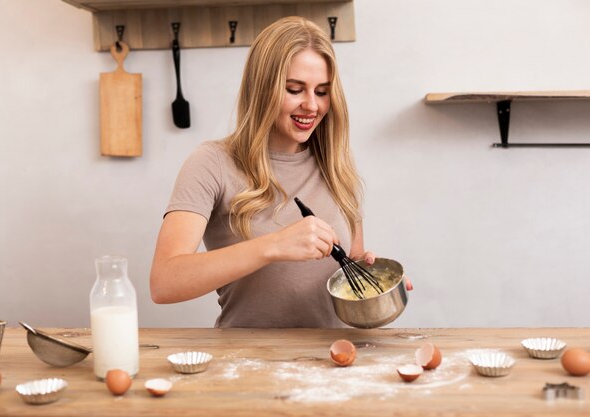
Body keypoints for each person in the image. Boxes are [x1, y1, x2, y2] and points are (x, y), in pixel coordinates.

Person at [150, 16, 412, 328]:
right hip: (246, 364)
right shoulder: (212, 163)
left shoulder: (336, 164)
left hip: (335, 360)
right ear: (262, 89)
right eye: (294, 89)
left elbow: (347, 264)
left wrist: (371, 277)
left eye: (322, 91)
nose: (311, 106)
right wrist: (273, 246)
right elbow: (164, 282)